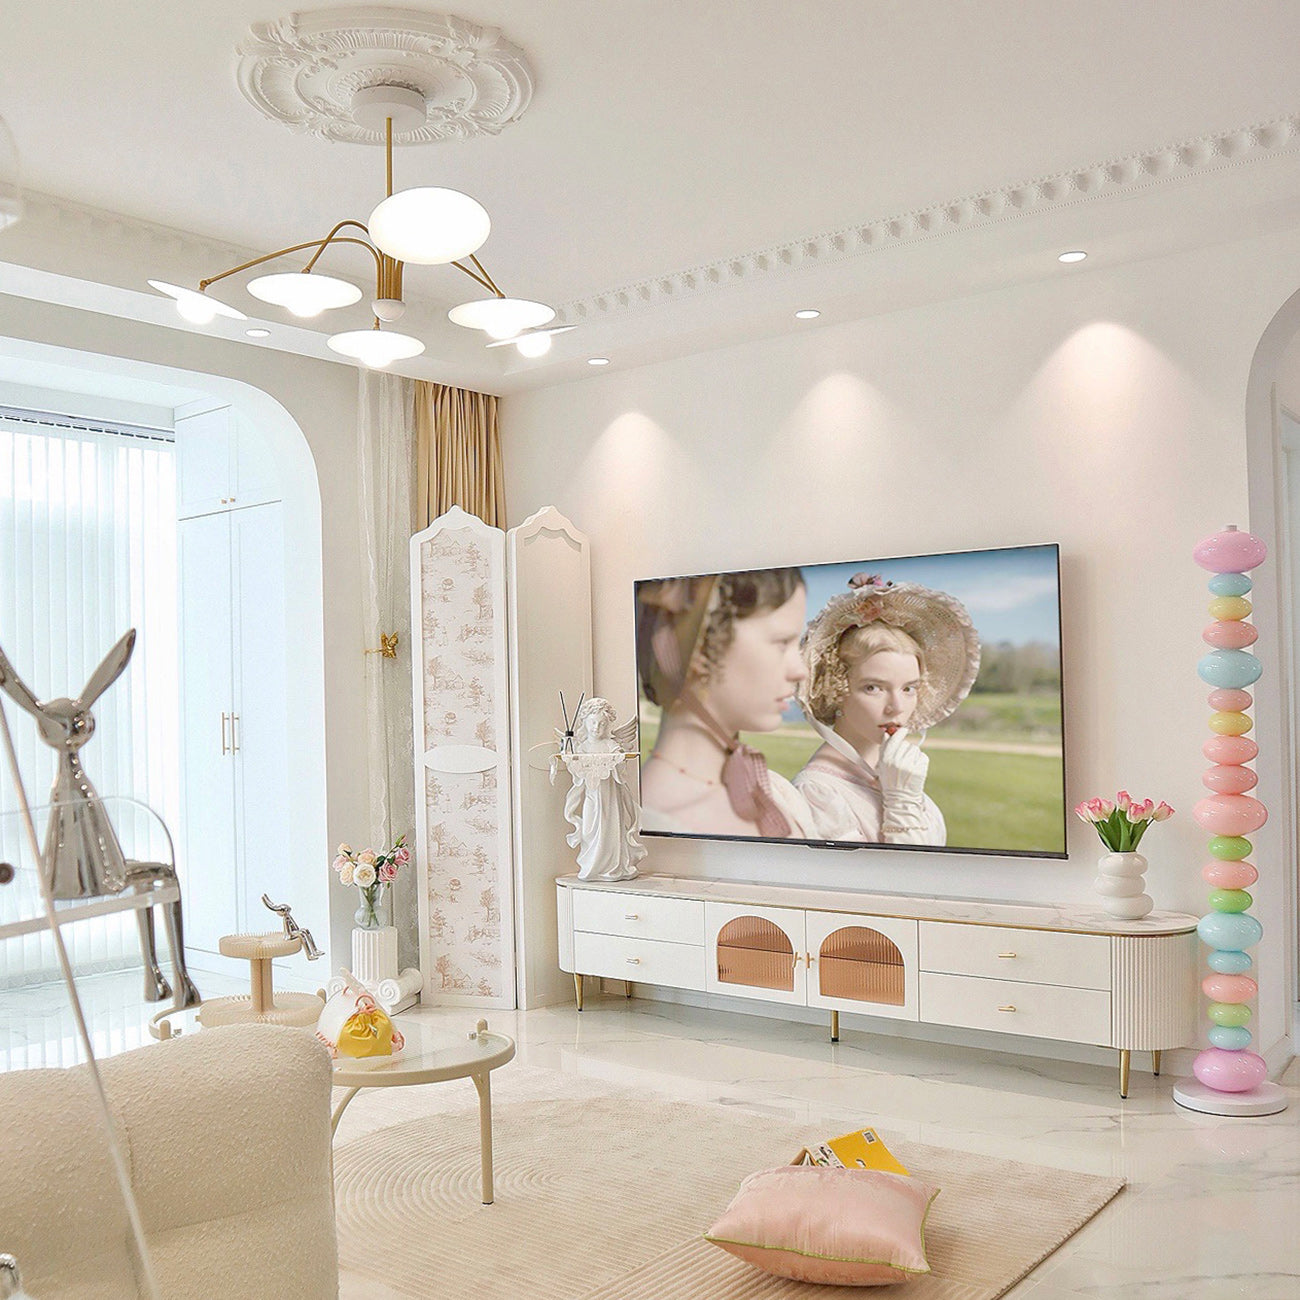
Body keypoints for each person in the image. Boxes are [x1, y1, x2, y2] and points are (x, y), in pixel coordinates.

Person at [794, 574, 981, 845]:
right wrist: (901, 803)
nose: (897, 708)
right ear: (834, 688)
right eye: (873, 688)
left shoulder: (894, 773)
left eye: (909, 688)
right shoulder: (818, 794)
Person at [637, 567, 817, 838]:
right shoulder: (656, 822)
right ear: (703, 645)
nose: (800, 671)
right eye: (782, 643)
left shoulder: (776, 792)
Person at [556, 697, 647, 881]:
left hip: (611, 797)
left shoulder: (610, 745)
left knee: (610, 830)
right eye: (593, 723)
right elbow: (577, 771)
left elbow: (620, 765)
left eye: (601, 724)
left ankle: (613, 867)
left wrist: (617, 759)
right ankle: (592, 866)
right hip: (592, 796)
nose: (596, 728)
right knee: (589, 829)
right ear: (585, 722)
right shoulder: (582, 747)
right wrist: (570, 756)